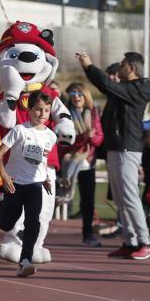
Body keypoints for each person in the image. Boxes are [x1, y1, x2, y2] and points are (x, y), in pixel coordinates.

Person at [78, 51, 150, 260]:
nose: (118, 70)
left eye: (122, 65)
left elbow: (108, 84)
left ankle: (145, 241)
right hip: (116, 148)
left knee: (130, 197)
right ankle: (130, 242)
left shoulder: (140, 87)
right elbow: (105, 85)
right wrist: (88, 69)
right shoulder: (123, 90)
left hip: (128, 149)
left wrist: (90, 66)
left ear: (130, 67)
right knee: (121, 199)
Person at [0, 91, 58, 278]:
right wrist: (4, 176)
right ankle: (2, 208)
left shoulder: (50, 136)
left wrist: (45, 178)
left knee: (33, 222)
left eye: (46, 110)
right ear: (29, 110)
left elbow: (42, 160)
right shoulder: (20, 130)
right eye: (38, 110)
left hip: (35, 185)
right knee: (6, 224)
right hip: (14, 184)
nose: (42, 114)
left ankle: (25, 261)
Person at [61, 83, 104, 247]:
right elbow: (63, 141)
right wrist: (82, 137)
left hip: (88, 160)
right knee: (56, 196)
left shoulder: (93, 113)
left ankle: (88, 234)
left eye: (80, 93)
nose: (76, 96)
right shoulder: (64, 113)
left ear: (86, 96)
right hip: (67, 159)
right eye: (73, 93)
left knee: (88, 200)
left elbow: (99, 138)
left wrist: (91, 138)